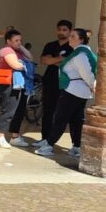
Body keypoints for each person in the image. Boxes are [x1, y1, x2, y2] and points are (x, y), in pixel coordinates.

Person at [35, 27, 97, 158]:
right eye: (71, 36)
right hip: (79, 90)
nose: (70, 38)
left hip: (73, 90)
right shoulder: (80, 53)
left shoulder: (80, 55)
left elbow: (86, 73)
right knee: (76, 119)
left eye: (73, 36)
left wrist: (93, 85)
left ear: (81, 40)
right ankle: (76, 146)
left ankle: (49, 145)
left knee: (60, 118)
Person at [30, 20, 74, 149]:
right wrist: (60, 59)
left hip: (65, 83)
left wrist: (52, 60)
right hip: (50, 81)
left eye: (64, 30)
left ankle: (71, 143)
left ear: (70, 31)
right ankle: (45, 138)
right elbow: (43, 60)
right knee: (48, 111)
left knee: (63, 113)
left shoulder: (72, 47)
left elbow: (68, 64)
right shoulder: (50, 45)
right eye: (59, 29)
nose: (61, 32)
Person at [0, 28, 32, 149]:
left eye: (20, 40)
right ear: (8, 41)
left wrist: (21, 47)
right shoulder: (6, 50)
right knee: (8, 110)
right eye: (16, 40)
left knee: (18, 110)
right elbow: (16, 65)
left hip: (18, 84)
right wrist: (25, 65)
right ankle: (0, 137)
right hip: (9, 84)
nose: (19, 42)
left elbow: (30, 58)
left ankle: (15, 136)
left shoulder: (17, 50)